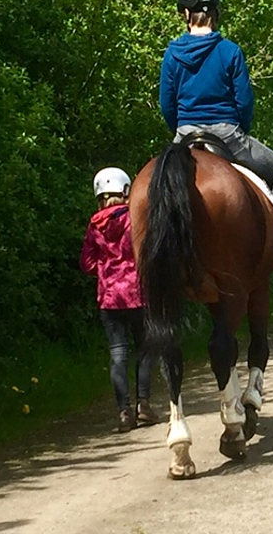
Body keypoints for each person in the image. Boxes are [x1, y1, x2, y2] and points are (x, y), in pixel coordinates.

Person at [158, 0, 273, 267]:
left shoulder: (172, 54)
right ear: (215, 14)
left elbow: (166, 103)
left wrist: (179, 130)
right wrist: (242, 128)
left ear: (185, 15)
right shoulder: (230, 51)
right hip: (226, 134)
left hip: (184, 134)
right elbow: (244, 101)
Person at [80, 167, 159, 433]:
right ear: (126, 191)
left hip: (110, 299)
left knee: (118, 355)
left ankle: (124, 413)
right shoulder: (135, 218)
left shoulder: (95, 225)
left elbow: (87, 263)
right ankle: (144, 405)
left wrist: (105, 270)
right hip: (138, 294)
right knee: (146, 349)